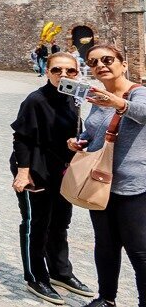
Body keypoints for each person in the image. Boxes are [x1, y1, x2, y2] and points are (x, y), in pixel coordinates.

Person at [10, 52, 94, 304]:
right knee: (36, 225)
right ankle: (36, 277)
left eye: (70, 71)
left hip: (61, 170)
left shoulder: (73, 97)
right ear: (47, 72)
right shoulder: (35, 100)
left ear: (77, 73)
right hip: (35, 171)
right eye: (57, 70)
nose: (63, 75)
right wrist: (23, 174)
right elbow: (21, 138)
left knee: (60, 223)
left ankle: (60, 272)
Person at [69, 43, 146, 307]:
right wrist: (79, 141)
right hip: (100, 185)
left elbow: (145, 114)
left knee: (139, 250)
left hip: (133, 187)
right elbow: (94, 132)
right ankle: (106, 298)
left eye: (107, 59)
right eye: (93, 62)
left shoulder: (139, 94)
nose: (100, 65)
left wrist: (118, 103)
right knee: (105, 245)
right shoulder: (99, 98)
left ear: (123, 64)